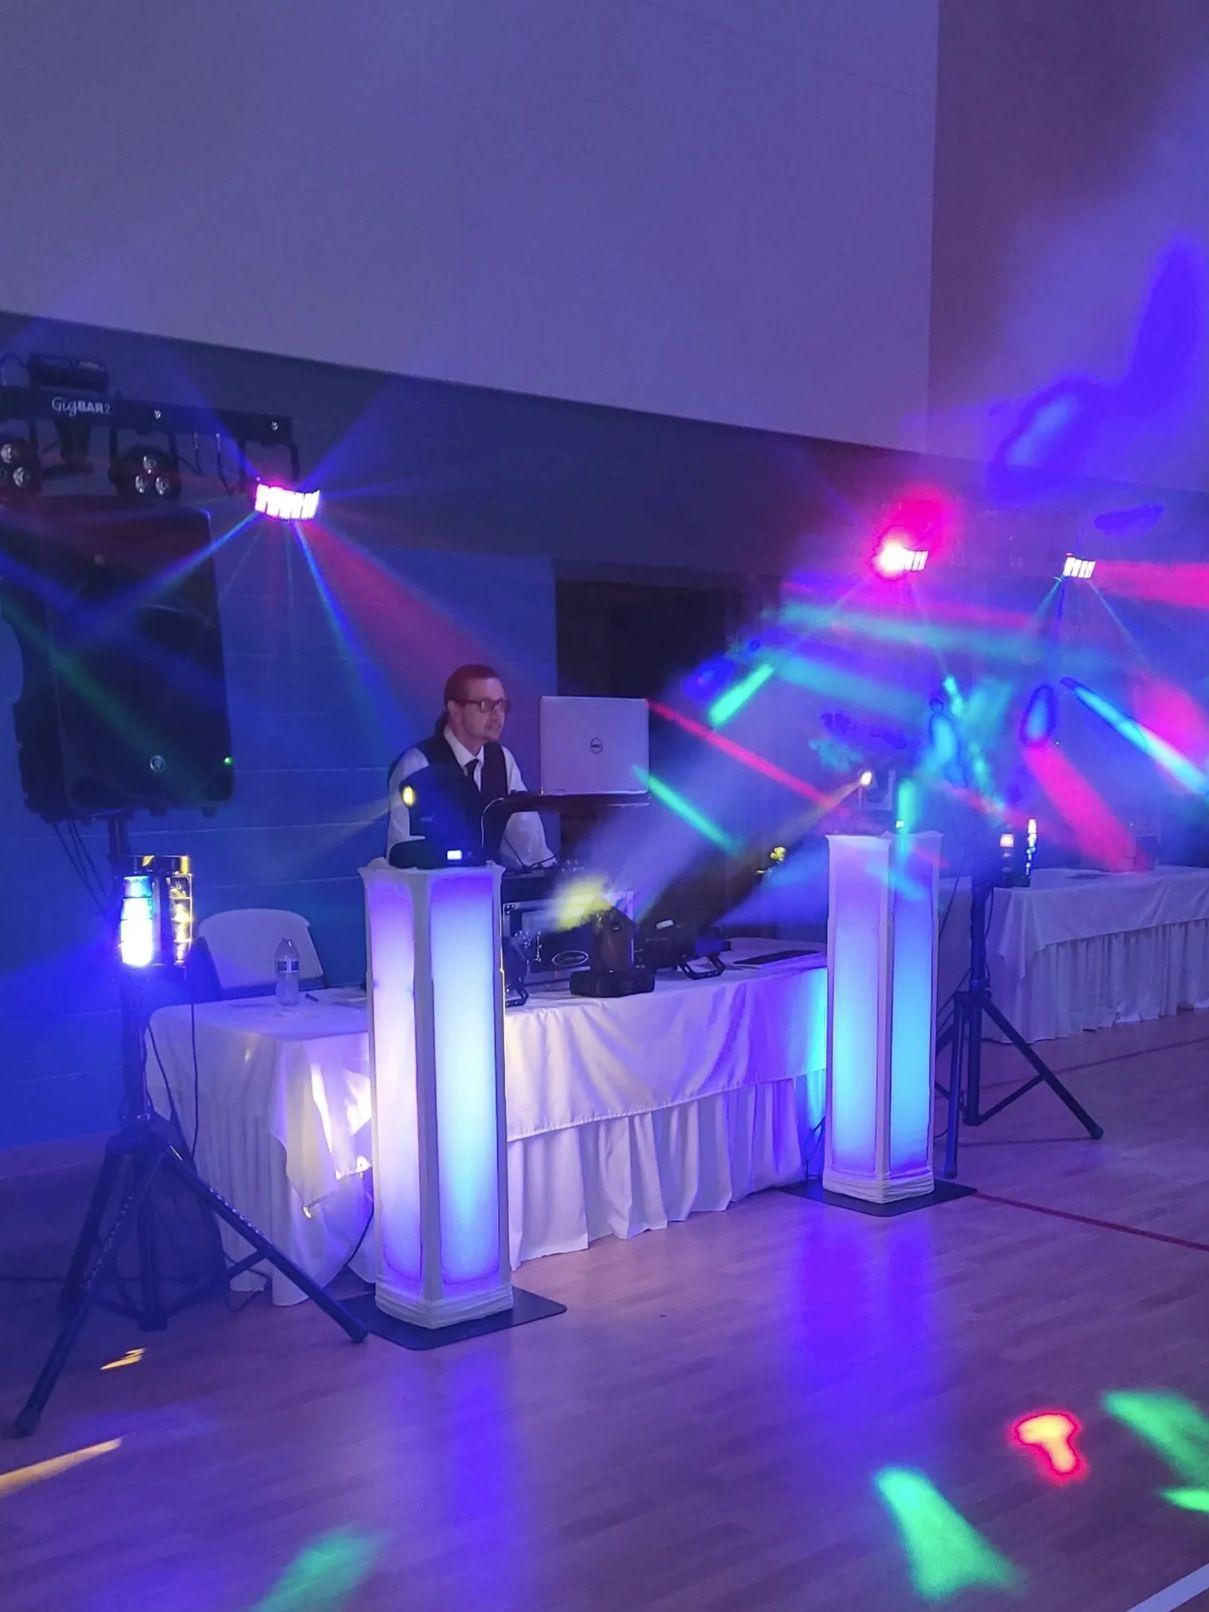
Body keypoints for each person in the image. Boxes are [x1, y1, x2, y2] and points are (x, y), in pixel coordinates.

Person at [386, 664, 554, 869]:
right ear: (455, 710)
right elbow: (402, 852)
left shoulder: (502, 759)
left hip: (491, 886)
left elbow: (529, 844)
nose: (498, 715)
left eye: (502, 705)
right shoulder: (418, 764)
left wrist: (554, 874)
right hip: (437, 886)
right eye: (485, 705)